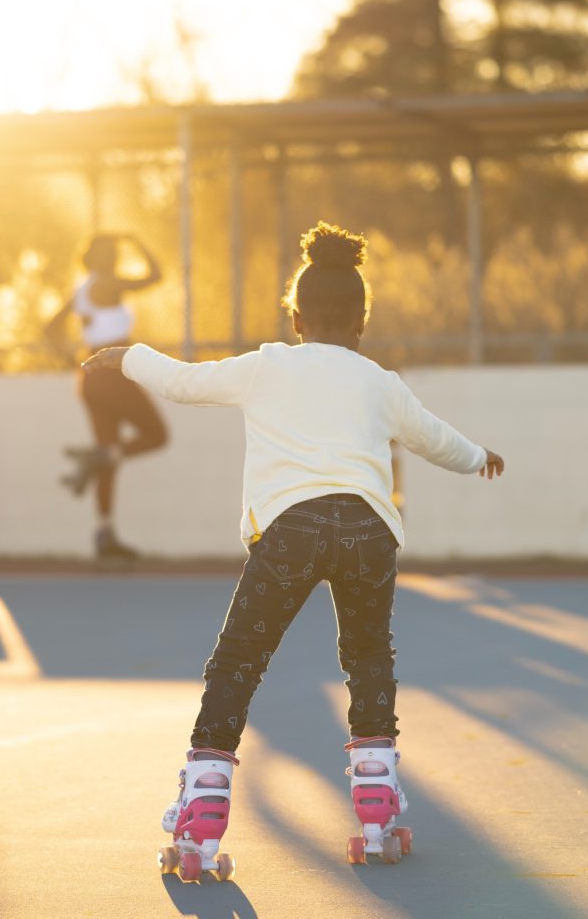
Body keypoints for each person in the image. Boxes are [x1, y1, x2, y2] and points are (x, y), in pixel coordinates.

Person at [83, 221, 504, 875]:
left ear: (296, 317)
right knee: (368, 658)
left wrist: (125, 356)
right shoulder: (379, 381)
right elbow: (434, 437)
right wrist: (481, 458)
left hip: (291, 533)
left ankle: (201, 810)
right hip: (368, 533)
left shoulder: (267, 366)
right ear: (361, 321)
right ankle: (374, 801)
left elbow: (186, 382)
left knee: (239, 662)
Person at [45, 233, 168, 560]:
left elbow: (50, 328)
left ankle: (104, 535)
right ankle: (98, 458)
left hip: (89, 377)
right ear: (105, 257)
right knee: (157, 434)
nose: (116, 256)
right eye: (113, 252)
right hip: (112, 375)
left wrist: (68, 360)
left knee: (109, 455)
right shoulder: (109, 284)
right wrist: (135, 240)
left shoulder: (83, 288)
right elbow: (156, 276)